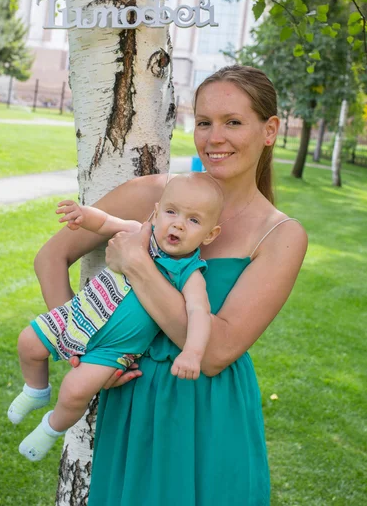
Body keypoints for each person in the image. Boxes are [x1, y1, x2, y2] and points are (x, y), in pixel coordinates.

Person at [34, 65, 308, 505]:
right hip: (133, 403)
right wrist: (81, 353)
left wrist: (138, 265)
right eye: (204, 122)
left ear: (270, 129)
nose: (214, 137)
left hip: (209, 412)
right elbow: (51, 256)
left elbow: (215, 353)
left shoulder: (280, 235)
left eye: (233, 122)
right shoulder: (154, 196)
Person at [8, 173, 223, 461]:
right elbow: (106, 222)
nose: (178, 224)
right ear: (156, 212)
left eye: (194, 220)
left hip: (113, 351)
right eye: (171, 212)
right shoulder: (139, 234)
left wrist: (193, 353)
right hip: (79, 313)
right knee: (28, 342)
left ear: (210, 234)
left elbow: (199, 313)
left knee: (74, 392)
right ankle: (36, 388)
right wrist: (83, 214)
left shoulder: (190, 274)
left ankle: (50, 428)